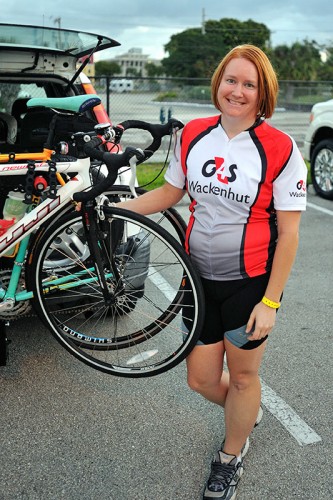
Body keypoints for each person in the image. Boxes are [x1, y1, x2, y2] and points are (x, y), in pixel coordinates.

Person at [114, 44, 307, 499]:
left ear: (264, 94)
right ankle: (247, 410)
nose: (237, 91)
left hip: (250, 286)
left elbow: (292, 235)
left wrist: (271, 301)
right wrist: (117, 209)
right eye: (231, 80)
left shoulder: (281, 148)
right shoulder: (195, 133)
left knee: (242, 377)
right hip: (196, 281)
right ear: (218, 82)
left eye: (249, 84)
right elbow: (168, 194)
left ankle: (230, 456)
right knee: (200, 379)